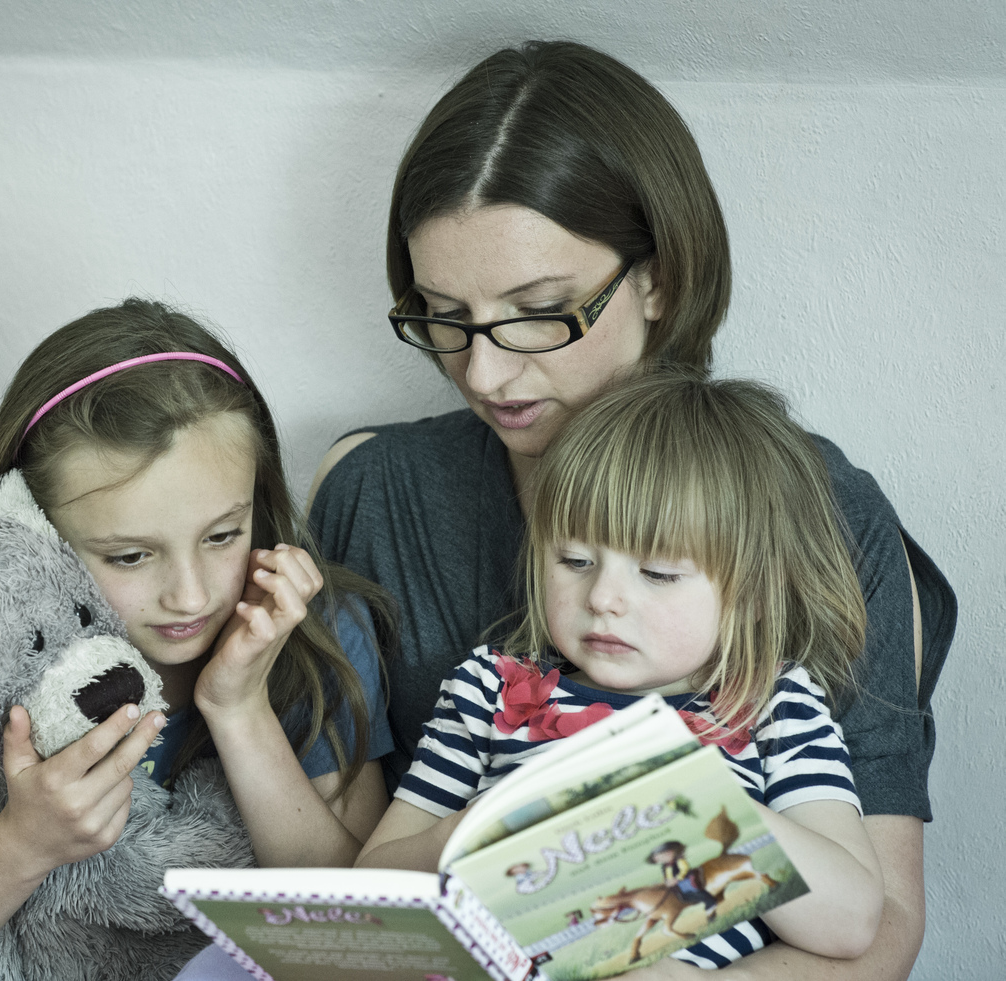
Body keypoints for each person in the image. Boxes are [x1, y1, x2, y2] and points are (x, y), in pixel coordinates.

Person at [308, 39, 954, 981]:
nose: (483, 373)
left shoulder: (815, 506)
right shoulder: (379, 491)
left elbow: (878, 932)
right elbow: (357, 890)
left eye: (540, 310)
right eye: (444, 316)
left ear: (658, 277)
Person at [0, 299, 394, 981]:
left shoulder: (316, 633)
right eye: (131, 556)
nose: (191, 595)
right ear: (34, 536)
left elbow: (365, 948)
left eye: (223, 534)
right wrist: (22, 844)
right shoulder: (2, 658)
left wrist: (239, 708)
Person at [357, 372, 885, 966]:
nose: (603, 597)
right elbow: (372, 889)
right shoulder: (491, 690)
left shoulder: (773, 706)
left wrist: (695, 799)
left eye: (658, 573)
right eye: (575, 560)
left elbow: (852, 922)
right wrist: (458, 838)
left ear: (754, 594)